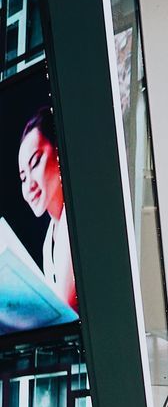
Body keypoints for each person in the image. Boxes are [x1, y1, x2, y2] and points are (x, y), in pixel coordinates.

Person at [18, 107, 78, 313]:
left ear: (59, 153)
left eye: (35, 163)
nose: (29, 185)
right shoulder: (48, 242)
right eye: (23, 177)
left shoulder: (77, 219)